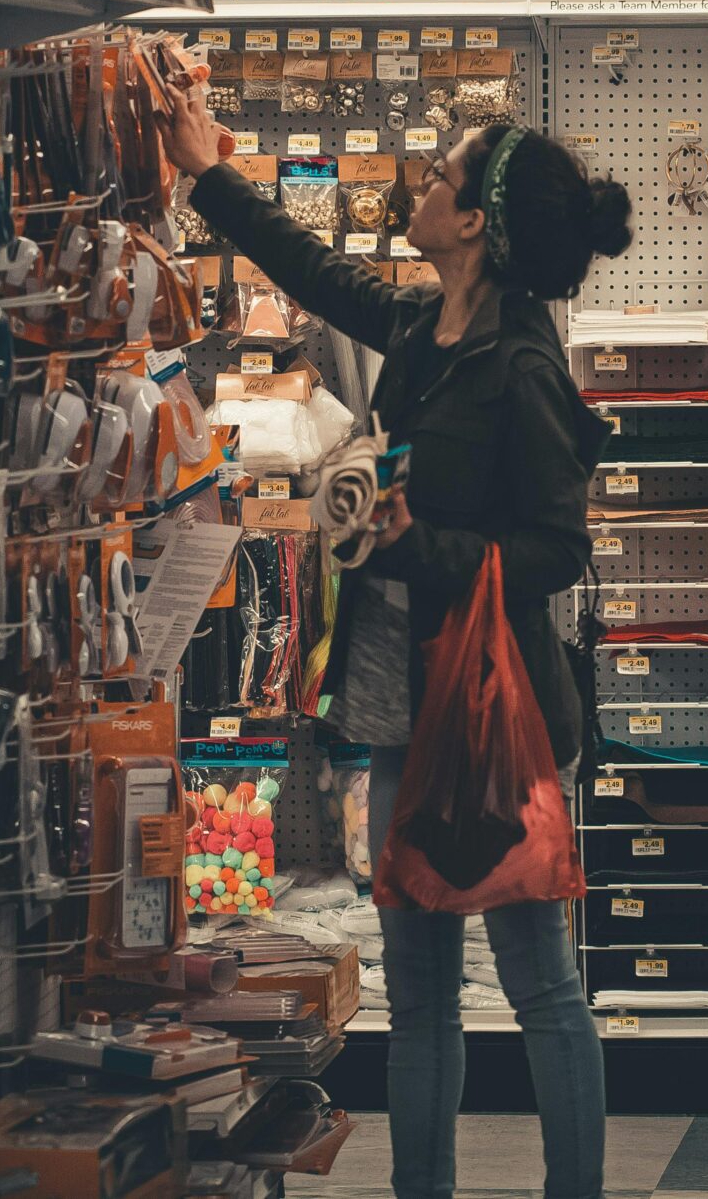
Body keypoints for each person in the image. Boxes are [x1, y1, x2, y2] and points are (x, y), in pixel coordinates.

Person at [161, 85, 633, 1199]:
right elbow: (322, 275)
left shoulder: (521, 368)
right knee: (416, 995)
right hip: (395, 704)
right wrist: (205, 171)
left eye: (441, 178)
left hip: (495, 712)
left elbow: (557, 551)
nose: (421, 187)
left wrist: (418, 545)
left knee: (539, 987)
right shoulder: (427, 329)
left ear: (474, 224)